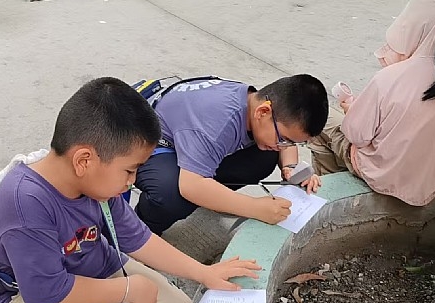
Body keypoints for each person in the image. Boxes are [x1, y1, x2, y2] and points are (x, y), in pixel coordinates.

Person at [0, 77, 261, 303]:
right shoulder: (25, 205)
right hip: (30, 294)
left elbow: (138, 237)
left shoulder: (95, 184)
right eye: (130, 170)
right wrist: (128, 290)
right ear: (84, 160)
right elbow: (48, 294)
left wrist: (204, 273)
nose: (133, 181)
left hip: (97, 267)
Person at [308, 0, 435, 207]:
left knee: (318, 121)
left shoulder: (391, 77)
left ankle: (331, 196)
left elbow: (357, 136)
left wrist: (351, 109)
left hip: (384, 176)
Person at [133, 74, 329, 235]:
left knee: (266, 155)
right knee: (171, 196)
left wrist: (291, 168)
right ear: (263, 112)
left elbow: (284, 143)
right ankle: (139, 231)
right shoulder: (217, 125)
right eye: (284, 139)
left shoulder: (254, 101)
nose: (284, 146)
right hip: (150, 140)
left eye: (292, 142)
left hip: (189, 138)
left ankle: (212, 197)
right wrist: (255, 208)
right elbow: (190, 186)